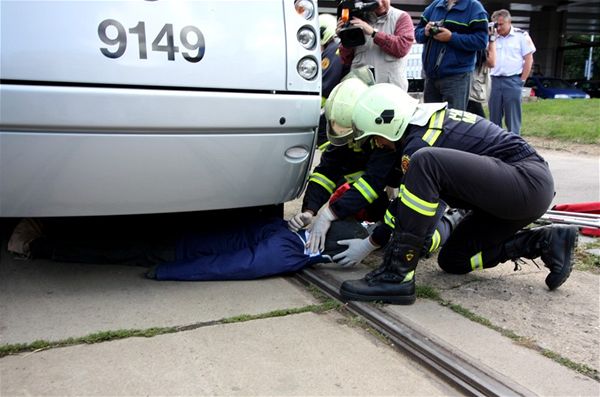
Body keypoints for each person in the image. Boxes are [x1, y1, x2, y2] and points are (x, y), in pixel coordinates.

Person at [337, 83, 578, 305]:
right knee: (454, 260)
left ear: (388, 122)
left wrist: (372, 242)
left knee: (425, 161)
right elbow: (412, 206)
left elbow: (414, 209)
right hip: (511, 196)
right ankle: (544, 242)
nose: (378, 144)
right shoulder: (423, 127)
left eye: (375, 137)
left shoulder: (420, 140)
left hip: (525, 181)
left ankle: (396, 275)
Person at [290, 73, 465, 267]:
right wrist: (310, 210)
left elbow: (373, 184)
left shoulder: (385, 136)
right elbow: (325, 172)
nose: (350, 140)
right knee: (377, 220)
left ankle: (452, 219)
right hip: (391, 187)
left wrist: (366, 239)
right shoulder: (347, 132)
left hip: (428, 189)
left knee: (417, 243)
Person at [7, 216, 369, 281]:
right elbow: (229, 267)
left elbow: (234, 259)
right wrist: (169, 272)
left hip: (186, 241)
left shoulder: (292, 236)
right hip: (180, 252)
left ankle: (40, 239)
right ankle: (37, 245)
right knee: (110, 249)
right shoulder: (290, 254)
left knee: (113, 242)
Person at [414, 0, 488, 110]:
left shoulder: (474, 8)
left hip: (457, 77)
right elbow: (417, 34)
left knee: (453, 122)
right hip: (431, 77)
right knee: (430, 120)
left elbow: (481, 41)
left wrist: (451, 38)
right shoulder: (435, 6)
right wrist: (425, 32)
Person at [337, 0, 414, 91]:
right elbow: (346, 59)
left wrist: (373, 33)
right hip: (361, 91)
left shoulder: (401, 17)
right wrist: (344, 37)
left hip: (391, 92)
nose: (380, 4)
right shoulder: (357, 17)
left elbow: (402, 47)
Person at [488, 9, 536, 135]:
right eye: (495, 24)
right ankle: (494, 145)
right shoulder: (492, 37)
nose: (498, 28)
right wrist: (490, 37)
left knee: (513, 118)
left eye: (500, 24)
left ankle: (514, 145)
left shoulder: (521, 36)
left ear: (509, 22)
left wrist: (522, 80)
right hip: (494, 80)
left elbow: (528, 59)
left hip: (513, 80)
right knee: (494, 118)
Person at [317, 13, 345, 150]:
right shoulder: (336, 47)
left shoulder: (332, 50)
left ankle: (329, 162)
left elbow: (327, 83)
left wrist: (313, 108)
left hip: (335, 105)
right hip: (342, 102)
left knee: (324, 136)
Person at [466, 25, 496, 117]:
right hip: (470, 88)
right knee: (479, 121)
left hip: (463, 85)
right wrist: (492, 39)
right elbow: (491, 62)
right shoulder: (476, 42)